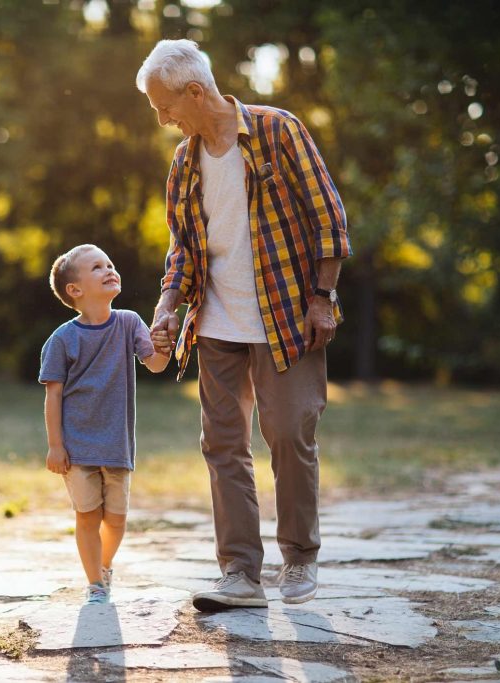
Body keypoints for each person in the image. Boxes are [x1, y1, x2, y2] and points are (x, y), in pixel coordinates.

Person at [137, 40, 352, 611]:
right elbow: (183, 247)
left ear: (195, 91)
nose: (162, 118)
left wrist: (323, 297)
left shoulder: (279, 131)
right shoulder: (185, 161)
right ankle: (240, 573)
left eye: (164, 106)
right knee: (223, 446)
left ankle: (300, 557)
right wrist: (167, 305)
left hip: (286, 316)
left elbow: (329, 219)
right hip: (217, 321)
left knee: (288, 435)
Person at [39, 244, 170, 604]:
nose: (109, 269)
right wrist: (55, 445)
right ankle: (95, 582)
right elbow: (52, 396)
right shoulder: (62, 340)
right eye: (97, 267)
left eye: (110, 264)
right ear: (76, 290)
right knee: (87, 516)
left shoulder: (128, 323)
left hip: (116, 445)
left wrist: (164, 345)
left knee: (116, 520)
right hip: (76, 446)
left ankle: (104, 565)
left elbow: (155, 365)